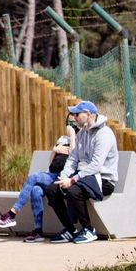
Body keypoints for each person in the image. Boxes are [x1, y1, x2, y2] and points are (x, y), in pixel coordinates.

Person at [46, 100, 119, 244]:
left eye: (77, 114)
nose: (74, 117)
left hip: (103, 180)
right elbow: (73, 159)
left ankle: (88, 229)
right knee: (52, 190)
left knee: (74, 190)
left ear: (88, 114)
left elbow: (96, 166)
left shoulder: (104, 134)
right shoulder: (82, 134)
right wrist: (64, 176)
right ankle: (70, 229)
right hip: (85, 177)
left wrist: (73, 180)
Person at [0, 129, 76, 242]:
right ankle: (38, 232)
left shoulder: (79, 137)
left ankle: (12, 214)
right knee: (35, 190)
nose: (69, 125)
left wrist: (72, 135)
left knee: (33, 177)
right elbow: (51, 162)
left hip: (61, 177)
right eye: (68, 122)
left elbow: (74, 156)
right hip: (50, 174)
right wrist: (55, 149)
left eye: (72, 122)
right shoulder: (62, 138)